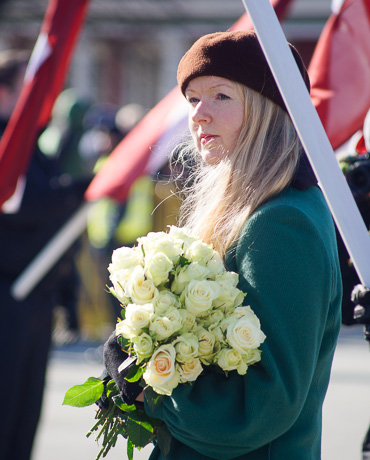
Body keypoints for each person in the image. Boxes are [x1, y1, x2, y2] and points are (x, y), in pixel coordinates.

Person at [104, 31, 342, 460]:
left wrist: (153, 390)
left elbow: (261, 406)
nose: (199, 115)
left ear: (270, 108)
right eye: (193, 99)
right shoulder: (269, 207)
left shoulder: (282, 221)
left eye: (221, 96)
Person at [0, 49, 91, 460]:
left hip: (35, 296)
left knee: (25, 410)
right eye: (30, 88)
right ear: (4, 93)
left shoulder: (31, 145)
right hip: (8, 294)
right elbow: (20, 203)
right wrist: (80, 190)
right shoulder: (6, 143)